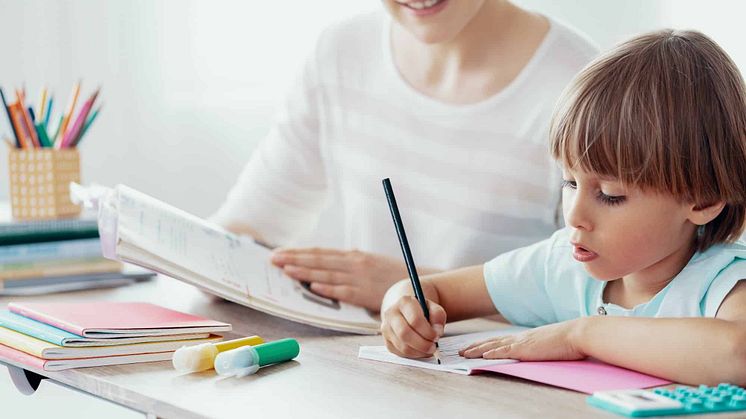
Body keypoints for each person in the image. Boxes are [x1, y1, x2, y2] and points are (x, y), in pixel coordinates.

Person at [380, 29, 746, 386]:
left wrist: (581, 335)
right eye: (570, 182)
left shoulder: (724, 283)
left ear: (703, 199)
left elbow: (737, 355)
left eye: (610, 195)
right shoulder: (561, 265)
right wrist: (402, 309)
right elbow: (431, 291)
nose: (573, 216)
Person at [212, 0, 598, 311]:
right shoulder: (341, 52)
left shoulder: (582, 87)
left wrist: (421, 286)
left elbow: (599, 295)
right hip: (367, 363)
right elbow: (248, 227)